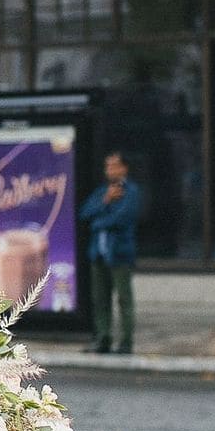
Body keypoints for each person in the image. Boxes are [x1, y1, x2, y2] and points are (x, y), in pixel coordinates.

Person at [79, 150, 141, 354]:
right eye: (107, 166)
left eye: (114, 166)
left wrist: (99, 223)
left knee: (124, 298)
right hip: (99, 253)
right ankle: (103, 337)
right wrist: (105, 201)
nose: (110, 170)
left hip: (119, 253)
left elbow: (123, 218)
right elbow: (85, 212)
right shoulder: (102, 191)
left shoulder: (131, 191)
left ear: (124, 168)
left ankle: (126, 341)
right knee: (100, 299)